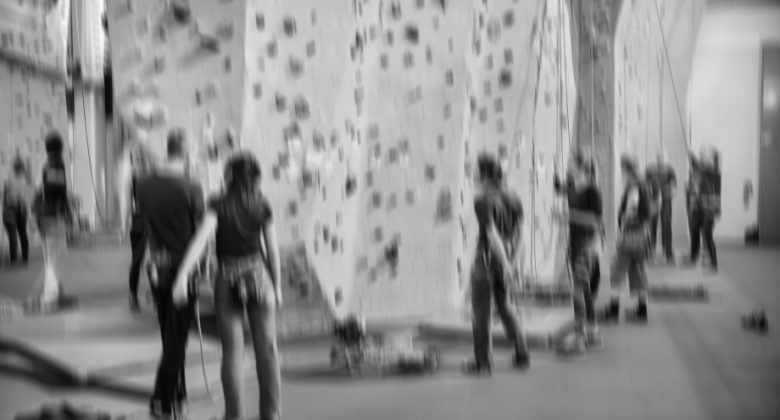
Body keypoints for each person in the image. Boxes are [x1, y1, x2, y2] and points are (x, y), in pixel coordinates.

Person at [174, 152, 282, 420]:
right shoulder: (262, 204)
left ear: (229, 176)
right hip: (259, 276)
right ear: (255, 178)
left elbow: (200, 242)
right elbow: (272, 250)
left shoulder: (218, 204)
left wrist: (182, 276)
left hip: (228, 277)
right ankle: (271, 415)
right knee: (268, 350)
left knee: (232, 353)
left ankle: (234, 416)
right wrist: (277, 286)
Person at [135, 129, 204, 418]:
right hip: (183, 268)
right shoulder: (191, 187)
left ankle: (179, 392)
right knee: (177, 340)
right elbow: (201, 233)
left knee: (169, 336)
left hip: (156, 265)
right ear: (186, 153)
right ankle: (162, 400)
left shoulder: (142, 183)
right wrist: (201, 269)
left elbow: (144, 221)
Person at [462, 152, 530, 376]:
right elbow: (523, 233)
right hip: (506, 256)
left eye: (475, 170)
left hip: (488, 258)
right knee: (504, 305)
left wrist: (507, 265)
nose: (473, 174)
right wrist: (515, 261)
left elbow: (492, 235)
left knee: (481, 312)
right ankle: (522, 352)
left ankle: (482, 362)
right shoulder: (513, 195)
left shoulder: (482, 200)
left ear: (484, 174)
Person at [553, 150, 604, 357]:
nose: (567, 166)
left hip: (588, 244)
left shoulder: (592, 190)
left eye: (570, 162)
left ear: (580, 166)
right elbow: (559, 188)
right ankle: (593, 331)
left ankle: (579, 337)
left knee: (577, 291)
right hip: (575, 243)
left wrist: (567, 217)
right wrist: (553, 168)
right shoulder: (572, 186)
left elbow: (596, 221)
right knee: (584, 290)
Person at [600, 154, 651, 323]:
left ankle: (613, 311)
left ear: (625, 168)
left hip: (631, 235)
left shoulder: (634, 185)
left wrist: (623, 224)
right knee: (638, 272)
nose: (621, 173)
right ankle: (642, 310)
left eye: (622, 168)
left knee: (616, 272)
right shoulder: (643, 183)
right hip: (643, 235)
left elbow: (632, 206)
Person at [118, 136, 159, 312]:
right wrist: (123, 225)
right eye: (135, 156)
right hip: (147, 220)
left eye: (138, 155)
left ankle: (139, 295)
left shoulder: (137, 177)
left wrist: (123, 225)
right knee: (146, 259)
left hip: (144, 220)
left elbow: (127, 204)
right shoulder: (151, 175)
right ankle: (141, 295)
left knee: (143, 259)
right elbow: (127, 203)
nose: (137, 159)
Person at [32, 132, 74, 304]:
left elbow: (39, 192)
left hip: (43, 216)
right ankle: (53, 295)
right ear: (60, 148)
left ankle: (55, 291)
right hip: (53, 216)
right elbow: (57, 193)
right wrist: (68, 213)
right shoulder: (55, 165)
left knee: (51, 256)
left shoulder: (44, 163)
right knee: (56, 256)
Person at [683, 147, 721, 273]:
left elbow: (704, 169)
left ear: (711, 159)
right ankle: (693, 258)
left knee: (707, 233)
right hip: (697, 205)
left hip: (709, 205)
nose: (702, 156)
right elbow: (694, 181)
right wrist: (689, 190)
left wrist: (693, 158)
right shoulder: (698, 170)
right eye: (701, 154)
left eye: (704, 155)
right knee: (694, 231)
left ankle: (713, 263)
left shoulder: (714, 170)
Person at [645, 150, 677, 264]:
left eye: (663, 157)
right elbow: (645, 184)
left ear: (666, 158)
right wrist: (651, 193)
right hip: (653, 200)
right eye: (659, 157)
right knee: (651, 225)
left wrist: (664, 194)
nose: (661, 159)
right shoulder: (650, 169)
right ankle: (650, 251)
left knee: (666, 224)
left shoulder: (670, 169)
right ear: (656, 158)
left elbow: (673, 186)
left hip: (666, 200)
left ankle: (668, 251)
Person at [3, 156, 32, 265]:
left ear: (14, 167)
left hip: (10, 207)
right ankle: (25, 258)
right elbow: (28, 196)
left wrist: (4, 204)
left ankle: (14, 259)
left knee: (12, 234)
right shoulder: (25, 180)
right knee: (23, 233)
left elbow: (4, 194)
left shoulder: (8, 178)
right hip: (22, 208)